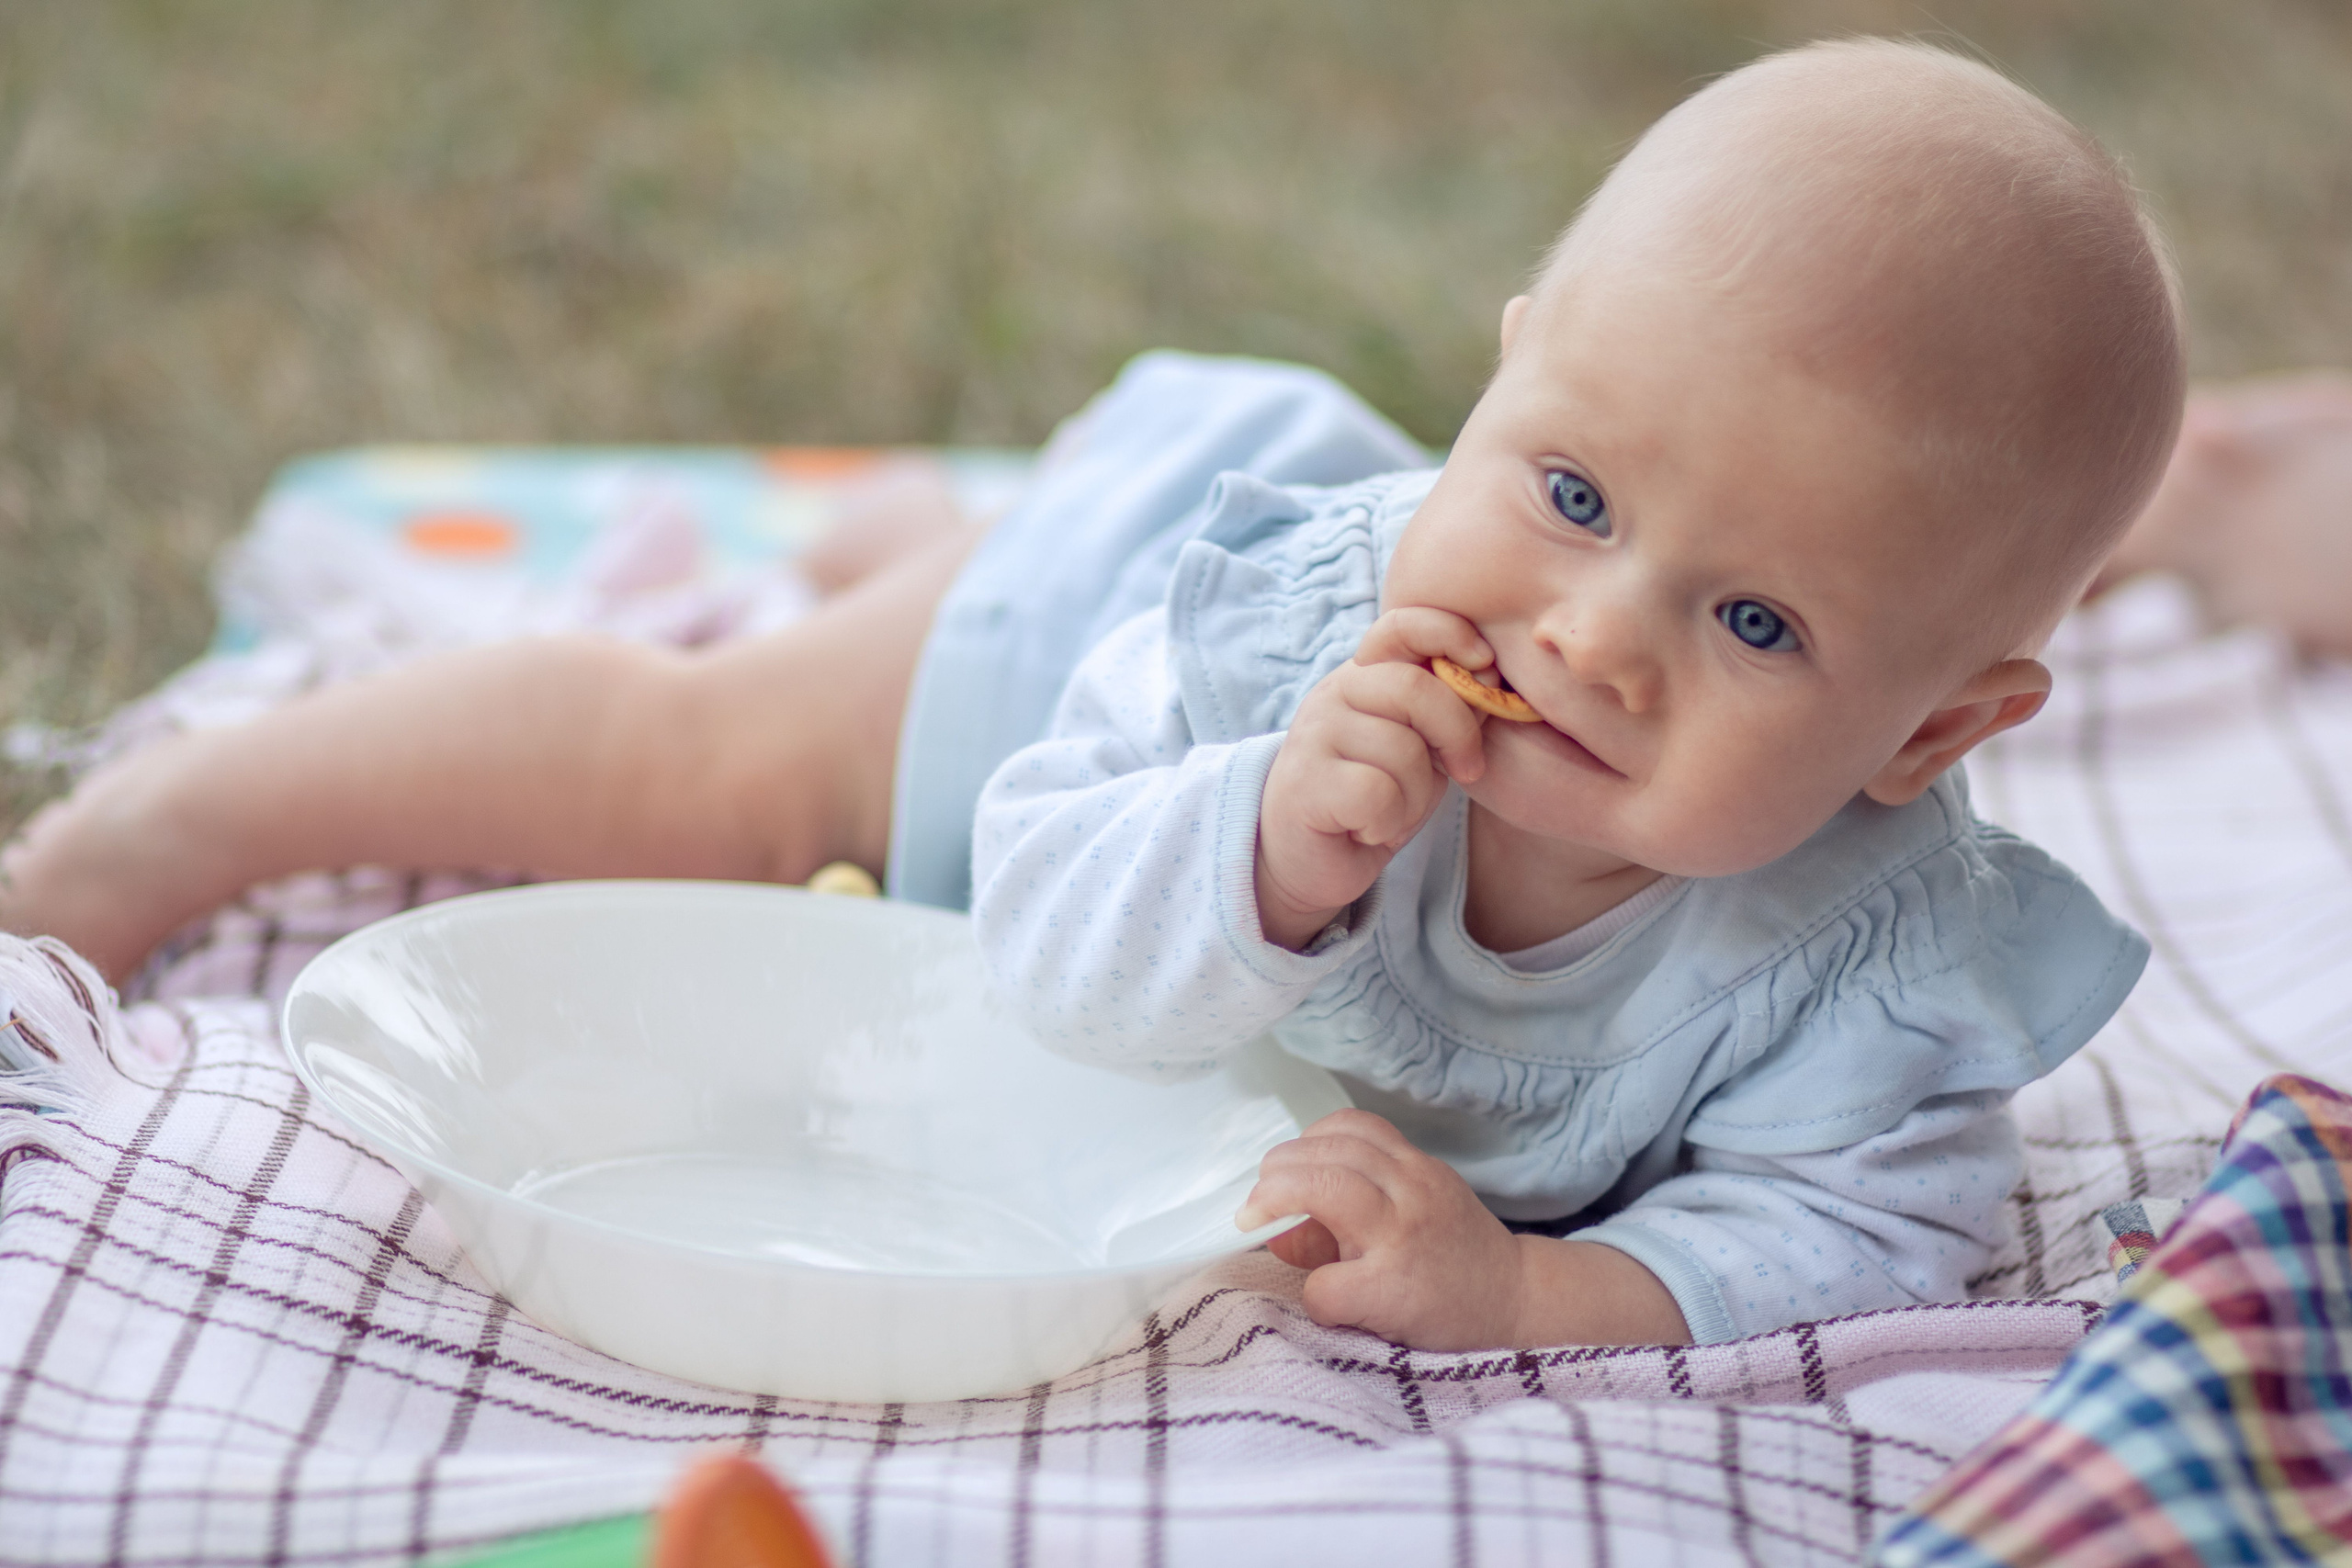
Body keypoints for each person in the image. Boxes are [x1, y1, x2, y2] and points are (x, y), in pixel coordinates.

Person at [0, 39, 2196, 1353]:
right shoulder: (1288, 638)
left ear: (1925, 735)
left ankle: (907, 542)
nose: (1597, 631)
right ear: (1504, 373)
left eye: (1756, 628)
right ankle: (173, 818)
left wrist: (1552, 1298)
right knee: (718, 764)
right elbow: (1047, 934)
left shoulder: (1869, 956)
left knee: (875, 611)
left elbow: (1855, 1231)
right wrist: (1263, 837)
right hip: (1071, 714)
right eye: (1566, 485)